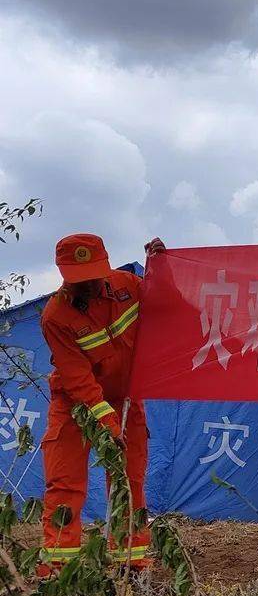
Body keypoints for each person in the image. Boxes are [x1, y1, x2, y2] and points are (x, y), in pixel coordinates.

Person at [38, 233, 165, 576]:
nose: (89, 285)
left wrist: (163, 269)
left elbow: (170, 306)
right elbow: (78, 378)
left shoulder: (129, 286)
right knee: (65, 481)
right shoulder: (55, 316)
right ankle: (60, 569)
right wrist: (107, 423)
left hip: (125, 398)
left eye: (94, 275)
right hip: (74, 403)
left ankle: (131, 560)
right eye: (79, 279)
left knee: (129, 478)